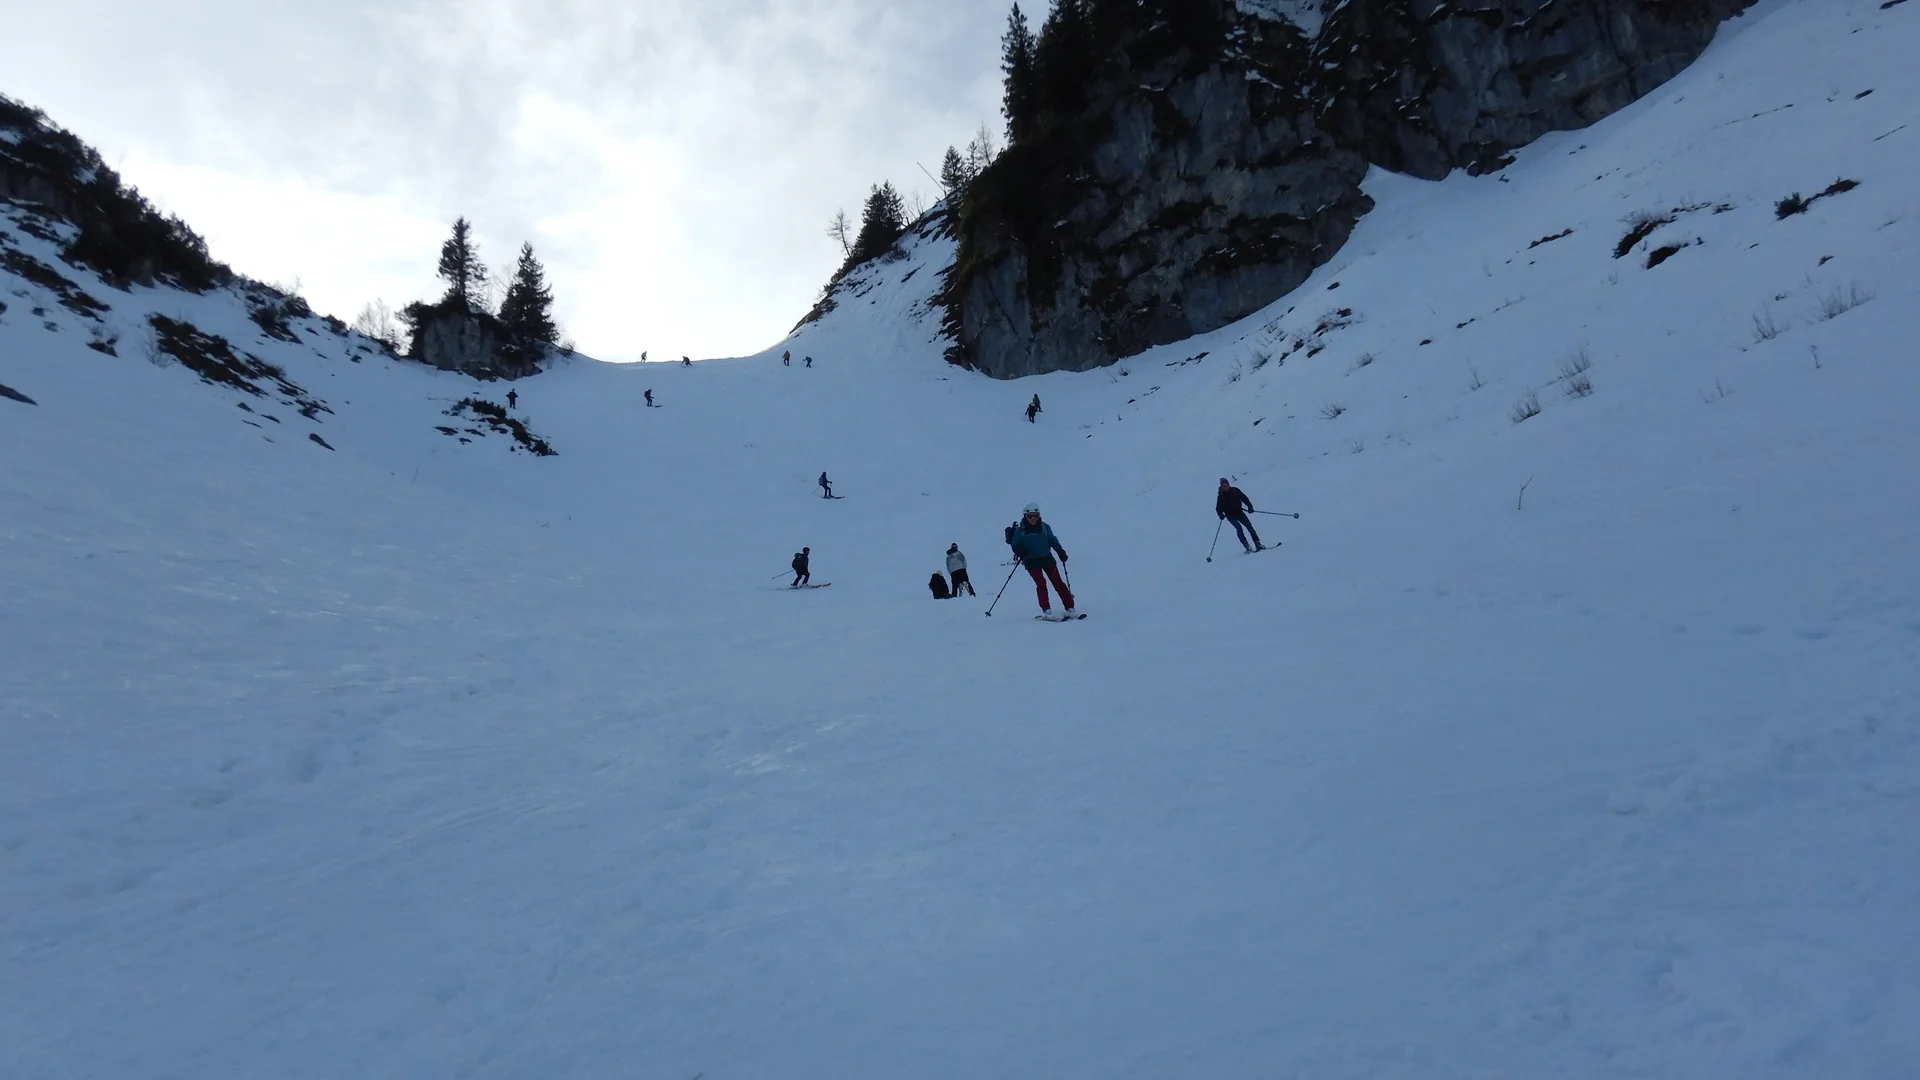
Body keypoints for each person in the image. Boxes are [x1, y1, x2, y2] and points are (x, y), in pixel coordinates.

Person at [1005, 503, 1074, 617]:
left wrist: (1060, 551)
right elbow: (1015, 544)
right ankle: (1046, 609)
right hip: (1031, 561)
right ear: (1025, 516)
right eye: (1030, 516)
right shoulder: (1020, 530)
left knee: (1058, 583)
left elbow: (1052, 540)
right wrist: (1019, 551)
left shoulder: (1044, 527)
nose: (1033, 519)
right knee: (1041, 584)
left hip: (1047, 558)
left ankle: (1070, 607)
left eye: (1036, 516)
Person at [1216, 477, 1264, 553]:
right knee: (1239, 528)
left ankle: (1257, 543)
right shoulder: (1221, 497)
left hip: (1239, 512)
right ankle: (1246, 545)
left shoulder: (1235, 491)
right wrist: (1221, 515)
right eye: (1223, 486)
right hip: (1230, 516)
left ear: (1228, 484)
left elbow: (1244, 498)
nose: (1225, 487)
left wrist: (1250, 507)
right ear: (1221, 487)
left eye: (1226, 484)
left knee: (1249, 527)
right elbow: (1218, 509)